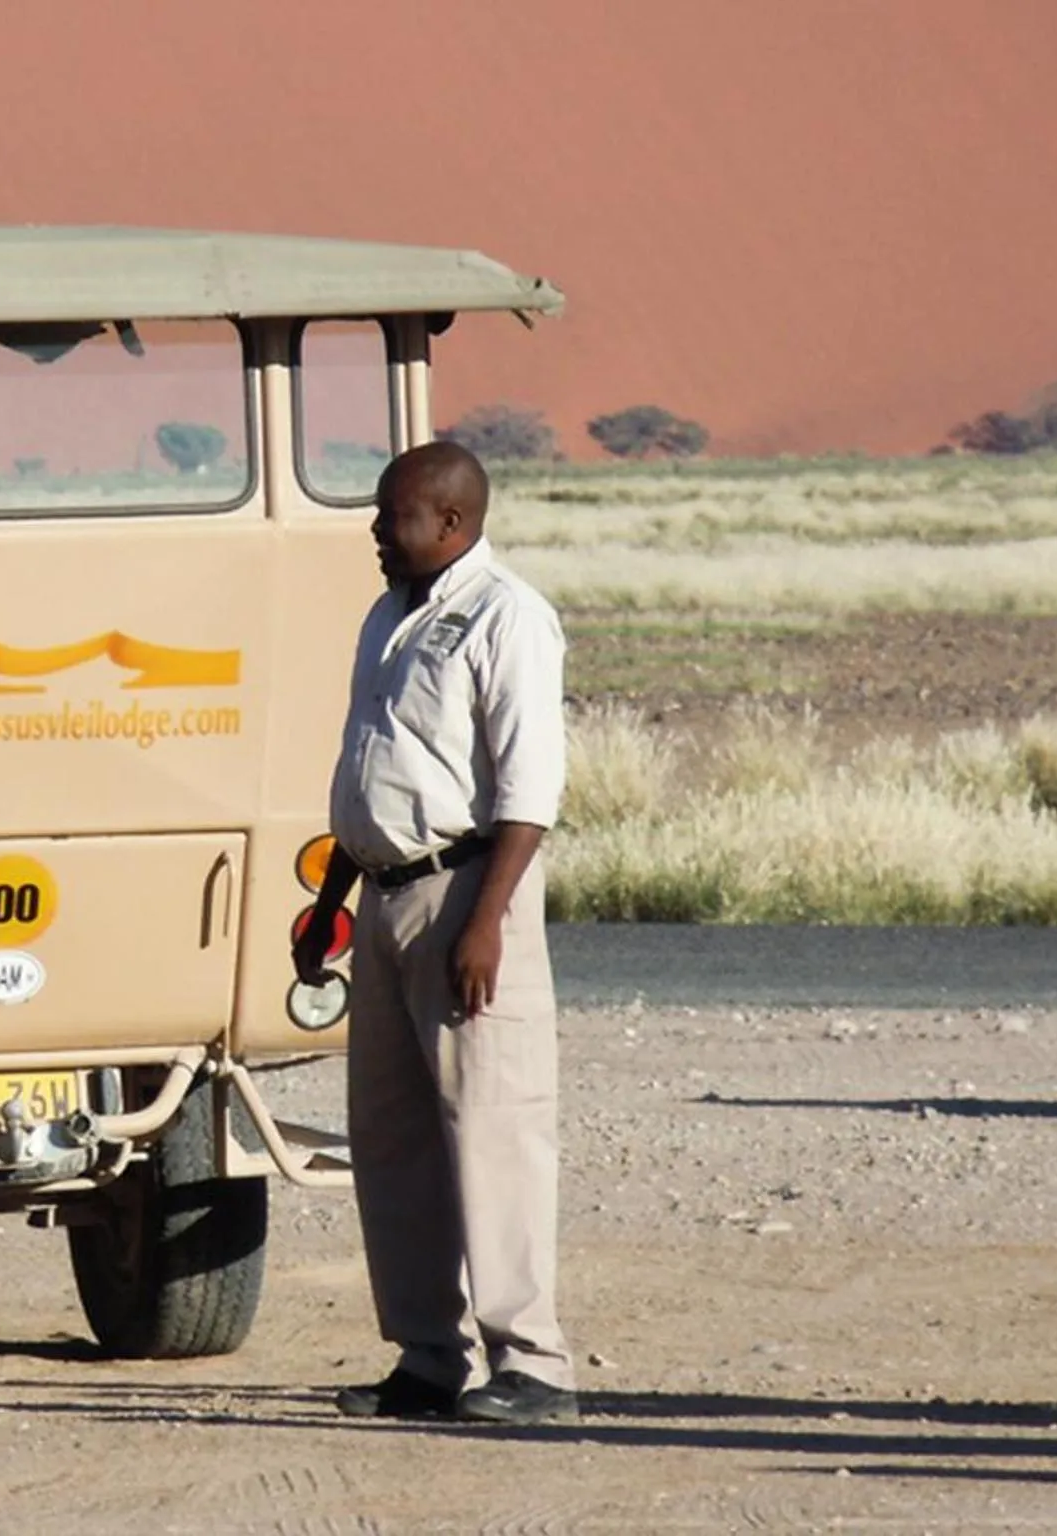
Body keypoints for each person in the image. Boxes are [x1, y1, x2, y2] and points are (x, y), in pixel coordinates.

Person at [292, 440, 578, 1426]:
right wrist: (333, 901)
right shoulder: (390, 614)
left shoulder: (508, 619)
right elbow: (373, 770)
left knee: (492, 1129)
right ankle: (427, 1357)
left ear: (451, 524)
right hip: (381, 896)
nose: (376, 532)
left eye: (393, 517)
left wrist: (487, 924)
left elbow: (530, 790)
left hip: (464, 896)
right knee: (393, 1135)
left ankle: (532, 1363)